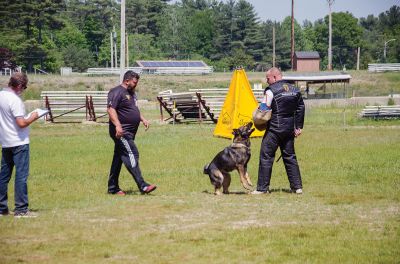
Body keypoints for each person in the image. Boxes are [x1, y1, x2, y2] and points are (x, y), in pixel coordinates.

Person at [252, 67, 305, 194]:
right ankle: (297, 187)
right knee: (290, 157)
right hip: (289, 129)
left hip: (274, 130)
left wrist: (256, 117)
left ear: (275, 77)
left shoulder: (271, 91)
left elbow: (264, 108)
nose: (267, 81)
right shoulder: (295, 89)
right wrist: (298, 126)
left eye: (268, 78)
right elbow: (301, 108)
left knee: (266, 156)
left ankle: (262, 189)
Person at [107, 70, 156, 195]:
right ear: (127, 80)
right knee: (132, 153)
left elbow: (133, 109)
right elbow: (111, 110)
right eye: (134, 82)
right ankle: (143, 185)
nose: (136, 85)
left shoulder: (132, 94)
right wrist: (118, 126)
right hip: (121, 132)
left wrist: (142, 118)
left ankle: (113, 188)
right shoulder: (116, 92)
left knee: (118, 159)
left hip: (129, 132)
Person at [0, 72, 39, 217]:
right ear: (20, 86)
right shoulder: (14, 100)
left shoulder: (1, 95)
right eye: (24, 87)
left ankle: (1, 208)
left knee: (4, 176)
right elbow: (21, 123)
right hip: (19, 142)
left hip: (5, 141)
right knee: (21, 176)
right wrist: (34, 116)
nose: (24, 90)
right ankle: (21, 209)